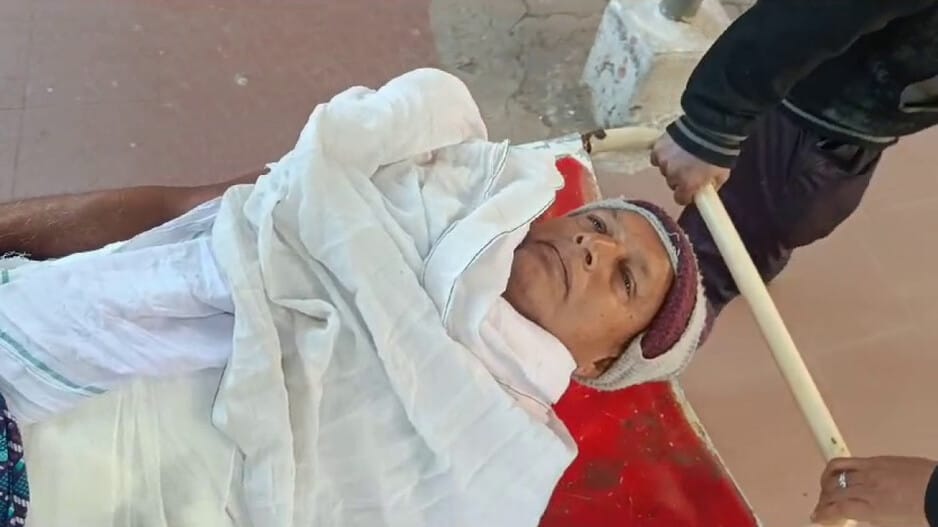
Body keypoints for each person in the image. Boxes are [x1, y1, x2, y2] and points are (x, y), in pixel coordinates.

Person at [648, 0, 938, 525]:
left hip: (825, 137)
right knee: (747, 239)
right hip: (833, 130)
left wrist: (714, 123)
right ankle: (743, 263)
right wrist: (714, 121)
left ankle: (633, 377)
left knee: (703, 268)